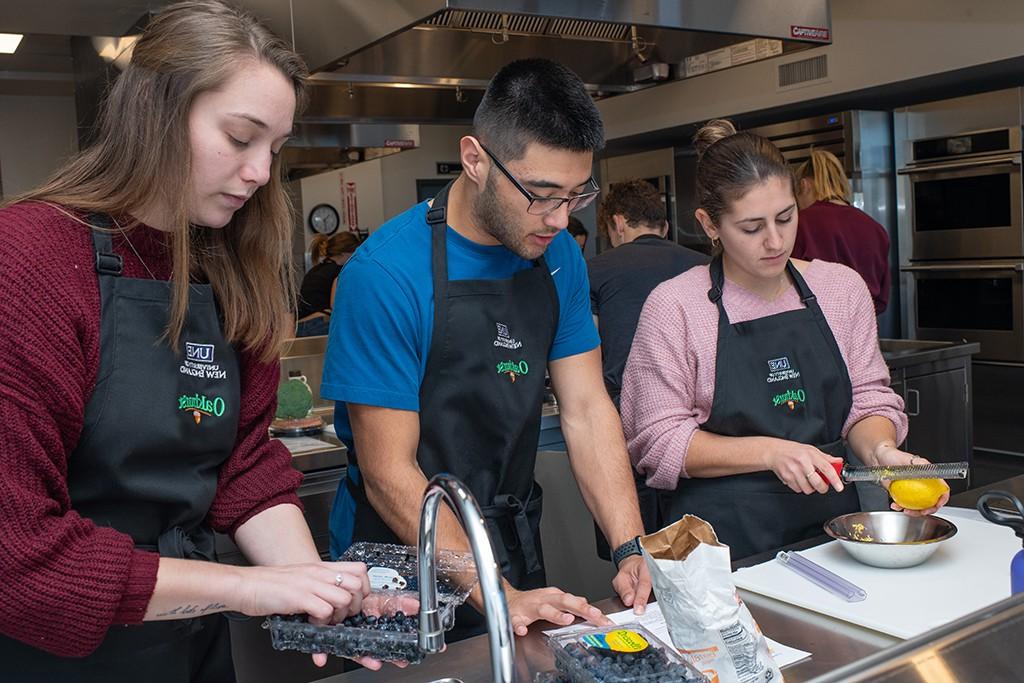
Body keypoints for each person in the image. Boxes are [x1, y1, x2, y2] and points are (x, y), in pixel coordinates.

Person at [0, 2, 379, 680]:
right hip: (57, 656)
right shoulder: (30, 258)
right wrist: (247, 588)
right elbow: (18, 555)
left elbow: (242, 462)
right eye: (240, 137)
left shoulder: (227, 265)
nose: (263, 172)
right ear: (157, 114)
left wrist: (316, 589)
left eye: (276, 147)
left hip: (191, 644)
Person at [322, 58, 652, 641]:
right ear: (475, 159)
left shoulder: (559, 259)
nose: (558, 219)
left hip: (507, 538)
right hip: (394, 570)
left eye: (576, 197)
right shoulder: (385, 274)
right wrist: (496, 595)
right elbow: (388, 473)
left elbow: (586, 409)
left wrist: (631, 546)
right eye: (541, 194)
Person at [620, 120, 949, 562]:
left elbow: (867, 400)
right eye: (751, 227)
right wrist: (771, 453)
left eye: (786, 217)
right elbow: (658, 440)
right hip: (718, 555)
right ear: (709, 224)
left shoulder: (840, 289)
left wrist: (883, 453)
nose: (775, 241)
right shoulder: (676, 306)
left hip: (835, 537)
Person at [588, 179, 707, 559]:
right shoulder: (705, 265)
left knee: (637, 550)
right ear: (665, 226)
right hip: (698, 426)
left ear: (618, 223)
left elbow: (589, 353)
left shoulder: (596, 269)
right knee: (695, 546)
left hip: (625, 423)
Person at [792, 149, 891, 313]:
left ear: (804, 185)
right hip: (864, 325)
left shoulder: (801, 223)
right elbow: (881, 300)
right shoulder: (876, 229)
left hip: (818, 327)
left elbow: (787, 286)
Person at [296, 231, 360, 337]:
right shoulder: (339, 271)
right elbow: (335, 305)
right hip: (317, 325)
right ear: (344, 254)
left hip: (300, 326)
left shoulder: (315, 270)